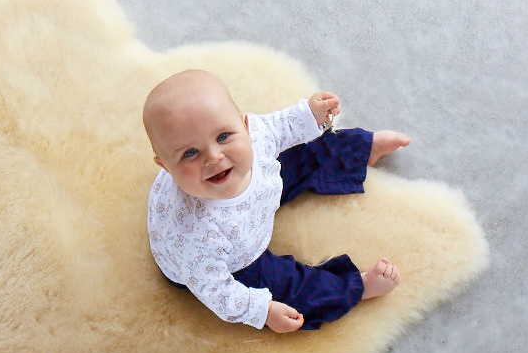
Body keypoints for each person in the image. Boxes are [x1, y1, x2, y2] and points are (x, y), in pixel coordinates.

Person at [143, 69, 410, 333]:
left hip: (257, 200)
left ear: (244, 125)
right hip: (235, 258)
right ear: (165, 166)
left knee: (303, 153)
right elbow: (218, 293)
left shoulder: (254, 136)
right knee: (291, 290)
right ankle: (357, 287)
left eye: (223, 136)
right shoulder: (195, 237)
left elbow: (279, 126)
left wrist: (309, 114)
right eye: (190, 153)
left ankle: (361, 150)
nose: (213, 157)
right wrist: (263, 311)